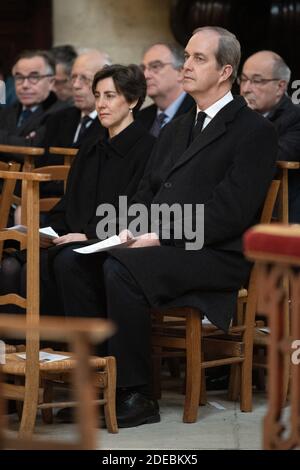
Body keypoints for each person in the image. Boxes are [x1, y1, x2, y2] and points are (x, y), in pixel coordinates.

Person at [46, 27, 278, 428]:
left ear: (225, 71)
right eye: (186, 56)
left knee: (120, 269)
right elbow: (143, 194)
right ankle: (98, 383)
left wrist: (160, 234)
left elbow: (230, 212)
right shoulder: (175, 127)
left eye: (197, 59)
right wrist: (123, 231)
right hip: (165, 245)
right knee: (71, 261)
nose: (186, 65)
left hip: (215, 253)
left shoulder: (254, 131)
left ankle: (136, 394)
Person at [0, 64, 156, 315]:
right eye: (97, 95)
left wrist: (88, 235)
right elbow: (69, 203)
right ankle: (25, 349)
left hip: (113, 244)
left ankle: (77, 346)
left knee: (59, 262)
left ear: (133, 101)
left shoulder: (149, 149)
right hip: (74, 239)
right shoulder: (90, 147)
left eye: (110, 95)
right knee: (11, 263)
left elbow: (139, 210)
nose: (101, 104)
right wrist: (47, 232)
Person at [36, 50, 111, 198]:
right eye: (74, 77)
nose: (76, 85)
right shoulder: (57, 119)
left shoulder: (114, 123)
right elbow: (42, 167)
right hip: (47, 201)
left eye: (85, 79)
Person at [239, 50, 300, 222]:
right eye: (243, 79)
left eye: (257, 81)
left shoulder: (295, 117)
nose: (245, 89)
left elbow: (272, 158)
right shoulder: (236, 113)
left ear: (280, 87)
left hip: (280, 213)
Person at [0, 50, 66, 153]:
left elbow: (34, 149)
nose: (25, 85)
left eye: (34, 77)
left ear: (51, 82)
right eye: (19, 77)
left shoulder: (62, 113)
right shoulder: (6, 112)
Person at [136, 43, 195, 136]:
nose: (145, 75)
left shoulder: (197, 112)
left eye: (155, 66)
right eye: (143, 69)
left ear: (180, 72)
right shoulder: (140, 117)